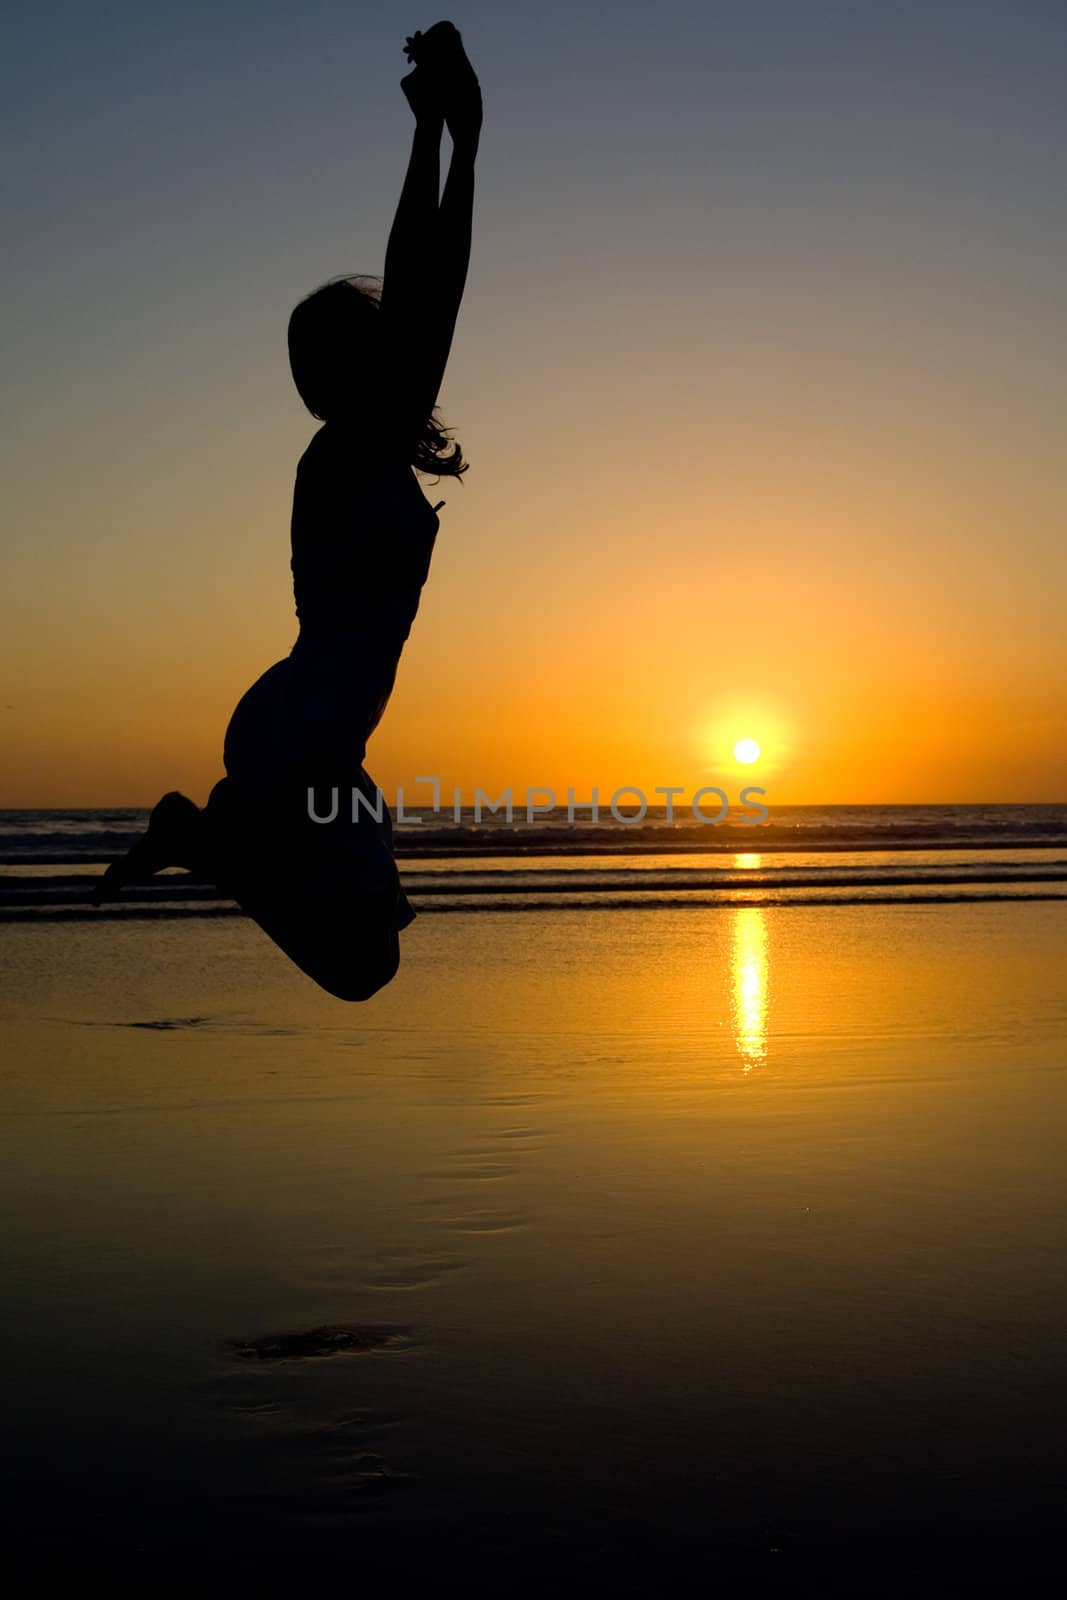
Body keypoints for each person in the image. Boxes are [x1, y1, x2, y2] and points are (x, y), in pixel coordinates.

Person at [94, 21, 482, 1002]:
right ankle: (201, 841)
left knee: (366, 962)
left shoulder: (352, 450)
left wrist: (441, 135)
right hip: (303, 733)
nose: (309, 380)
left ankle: (204, 840)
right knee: (362, 964)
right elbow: (430, 288)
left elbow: (423, 298)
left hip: (304, 727)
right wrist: (447, 140)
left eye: (316, 357)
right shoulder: (351, 451)